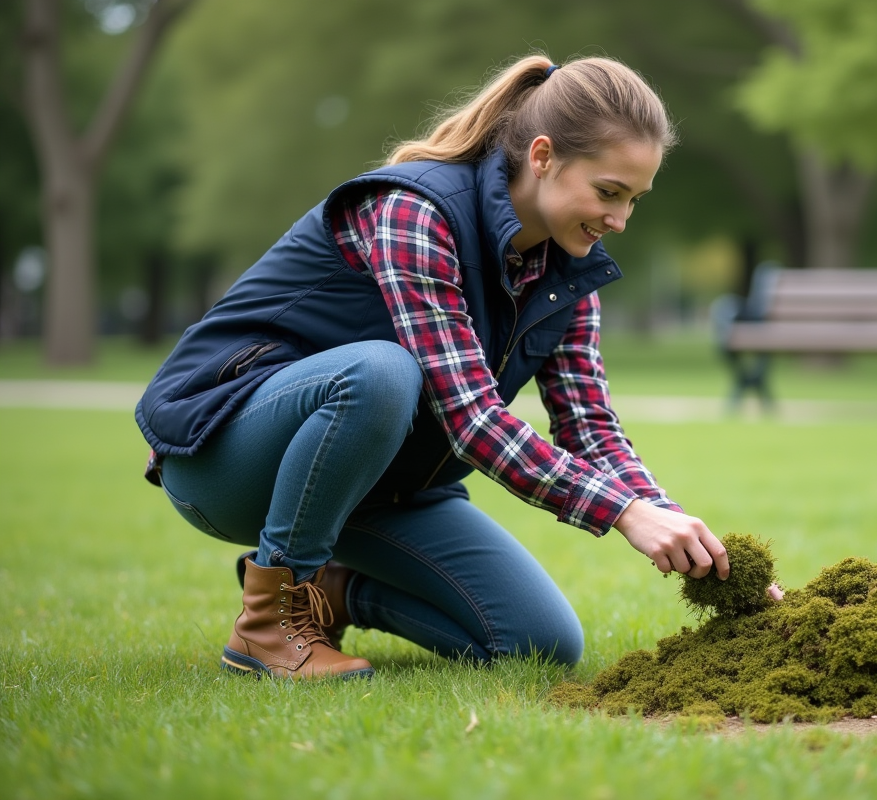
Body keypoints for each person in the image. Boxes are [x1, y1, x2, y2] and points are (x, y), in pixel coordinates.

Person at [135, 54, 730, 681]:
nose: (619, 220)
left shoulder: (570, 276)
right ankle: (266, 625)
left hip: (384, 486)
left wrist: (692, 542)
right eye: (608, 192)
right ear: (543, 156)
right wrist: (622, 514)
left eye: (634, 199)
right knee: (380, 374)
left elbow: (590, 427)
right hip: (222, 457)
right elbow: (471, 417)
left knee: (542, 645)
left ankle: (339, 591)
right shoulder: (416, 211)